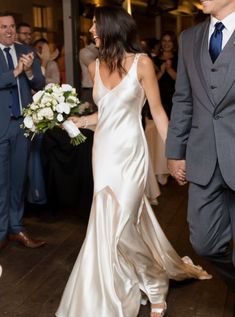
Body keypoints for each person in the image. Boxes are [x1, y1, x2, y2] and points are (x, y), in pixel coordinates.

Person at [56, 6, 211, 317]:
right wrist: (80, 120)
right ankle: (117, 284)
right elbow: (105, 115)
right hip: (103, 153)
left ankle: (156, 284)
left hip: (131, 153)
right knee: (108, 221)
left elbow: (157, 112)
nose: (91, 32)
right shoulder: (94, 67)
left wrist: (176, 155)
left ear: (112, 28)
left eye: (96, 27)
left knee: (125, 221)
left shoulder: (142, 63)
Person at [166, 0, 235, 294]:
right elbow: (183, 98)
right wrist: (174, 152)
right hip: (203, 156)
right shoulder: (189, 37)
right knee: (204, 242)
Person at [0, 12, 46, 249]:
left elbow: (39, 83)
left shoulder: (26, 51)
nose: (9, 30)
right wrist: (17, 71)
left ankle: (16, 228)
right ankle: (1, 232)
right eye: (3, 27)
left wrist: (28, 71)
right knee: (1, 182)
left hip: (23, 125)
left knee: (19, 179)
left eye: (12, 26)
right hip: (1, 125)